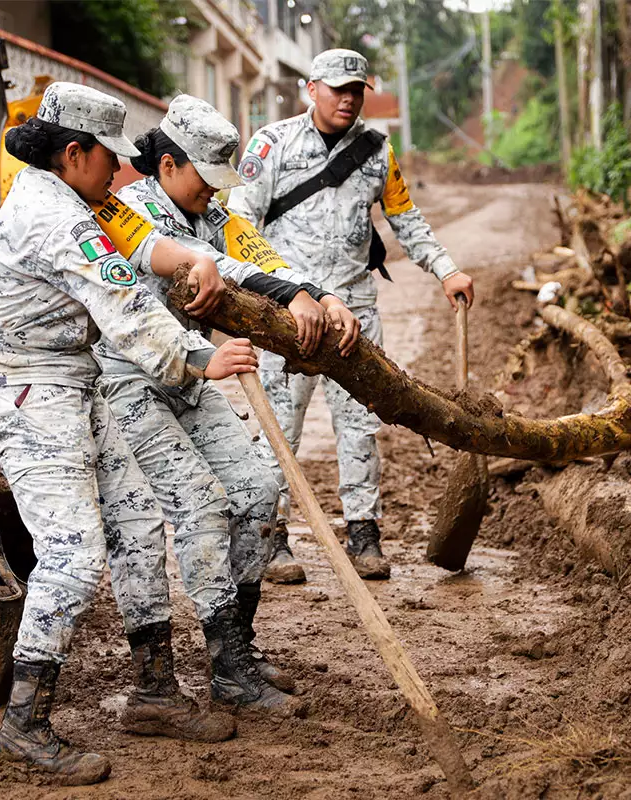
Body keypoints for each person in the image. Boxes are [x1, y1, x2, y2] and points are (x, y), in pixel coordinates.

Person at [0, 82, 262, 784]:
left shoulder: (78, 201)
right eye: (110, 158)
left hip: (72, 384)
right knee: (72, 557)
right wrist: (197, 358)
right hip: (24, 392)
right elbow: (122, 302)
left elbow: (140, 252)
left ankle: (154, 690)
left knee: (137, 524)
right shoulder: (54, 215)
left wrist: (197, 262)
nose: (120, 171)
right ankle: (24, 725)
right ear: (75, 153)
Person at [105, 94, 361, 710]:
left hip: (192, 374)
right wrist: (289, 290)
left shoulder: (213, 210)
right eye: (205, 176)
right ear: (167, 165)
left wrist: (317, 294)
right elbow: (216, 265)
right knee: (193, 511)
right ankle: (172, 677)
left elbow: (257, 254)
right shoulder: (128, 210)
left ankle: (234, 656)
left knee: (255, 490)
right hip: (124, 381)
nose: (214, 192)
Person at [228, 48, 475, 583]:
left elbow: (406, 219)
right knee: (279, 429)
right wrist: (265, 288)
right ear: (311, 88)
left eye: (356, 90)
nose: (347, 98)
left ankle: (364, 532)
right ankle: (271, 539)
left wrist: (447, 269)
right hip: (286, 313)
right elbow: (240, 221)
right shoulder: (270, 145)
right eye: (337, 87)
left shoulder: (377, 151)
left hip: (355, 313)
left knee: (359, 427)